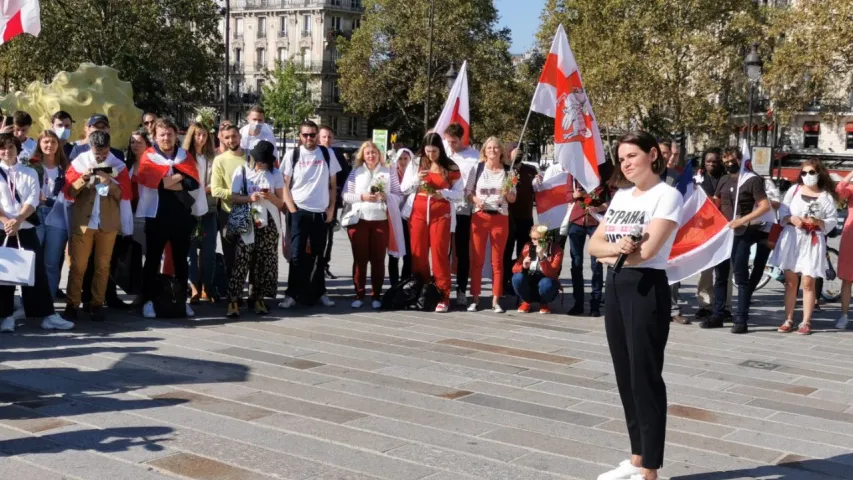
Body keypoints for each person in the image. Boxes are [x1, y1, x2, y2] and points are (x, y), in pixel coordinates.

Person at [588, 132, 683, 480]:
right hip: (616, 286)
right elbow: (593, 247)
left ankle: (651, 470)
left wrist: (614, 254)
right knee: (625, 376)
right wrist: (617, 252)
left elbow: (649, 251)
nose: (626, 163)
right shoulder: (621, 196)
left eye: (632, 155)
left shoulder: (667, 195)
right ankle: (637, 457)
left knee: (645, 377)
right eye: (621, 158)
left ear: (653, 154)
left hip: (646, 288)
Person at [0, 133, 73, 333]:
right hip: (2, 229)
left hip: (26, 228)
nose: (6, 152)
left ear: (17, 149)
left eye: (10, 147)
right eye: (2, 148)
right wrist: (7, 221)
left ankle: (47, 315)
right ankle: (5, 316)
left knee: (35, 272)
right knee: (4, 275)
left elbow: (33, 200)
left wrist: (18, 220)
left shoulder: (29, 171)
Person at [135, 118, 206, 318]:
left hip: (181, 216)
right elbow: (154, 183)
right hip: (156, 216)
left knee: (181, 261)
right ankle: (149, 300)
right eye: (162, 134)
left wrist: (173, 179)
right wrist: (180, 177)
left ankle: (181, 300)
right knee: (152, 260)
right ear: (155, 137)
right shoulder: (149, 156)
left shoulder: (185, 156)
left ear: (176, 135)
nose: (166, 138)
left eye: (170, 134)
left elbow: (193, 183)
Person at [701, 147, 771, 333]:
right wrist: (698, 195)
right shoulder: (724, 179)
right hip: (724, 233)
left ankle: (741, 318)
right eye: (726, 158)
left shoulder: (752, 180)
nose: (729, 162)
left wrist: (742, 220)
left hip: (743, 232)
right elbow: (715, 202)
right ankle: (718, 314)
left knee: (740, 276)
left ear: (742, 160)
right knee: (721, 275)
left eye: (733, 159)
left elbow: (764, 206)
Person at [63, 131, 131, 322]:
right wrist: (83, 179)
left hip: (107, 223)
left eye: (104, 152)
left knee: (103, 266)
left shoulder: (118, 165)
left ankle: (97, 304)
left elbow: (123, 195)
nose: (100, 156)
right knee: (78, 266)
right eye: (97, 153)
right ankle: (72, 304)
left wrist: (109, 183)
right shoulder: (79, 162)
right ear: (90, 148)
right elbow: (69, 192)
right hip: (84, 222)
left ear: (109, 148)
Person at [279, 120, 341, 308]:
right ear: (300, 136)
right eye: (305, 135)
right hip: (299, 210)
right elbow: (284, 185)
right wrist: (292, 210)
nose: (309, 138)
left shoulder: (327, 153)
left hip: (320, 212)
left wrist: (331, 209)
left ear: (317, 135)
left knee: (319, 255)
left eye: (312, 135)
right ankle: (292, 294)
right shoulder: (293, 155)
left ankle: (319, 292)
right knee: (296, 255)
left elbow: (333, 185)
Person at [771, 160, 837, 335]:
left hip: (813, 239)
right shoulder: (794, 191)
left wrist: (818, 222)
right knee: (791, 282)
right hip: (792, 238)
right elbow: (783, 212)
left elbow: (831, 221)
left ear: (819, 173)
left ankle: (806, 321)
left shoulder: (826, 196)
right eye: (804, 173)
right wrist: (792, 219)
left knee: (808, 282)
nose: (807, 176)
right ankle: (789, 319)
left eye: (811, 172)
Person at [402, 132, 464, 312]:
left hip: (441, 213)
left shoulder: (451, 166)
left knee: (439, 253)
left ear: (440, 149)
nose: (430, 155)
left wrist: (443, 193)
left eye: (434, 152)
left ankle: (443, 295)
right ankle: (420, 292)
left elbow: (459, 194)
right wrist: (416, 179)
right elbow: (405, 188)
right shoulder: (416, 163)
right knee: (418, 253)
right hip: (418, 212)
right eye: (427, 151)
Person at [226, 141, 283, 317]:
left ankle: (257, 297)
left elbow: (282, 203)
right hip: (248, 219)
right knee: (242, 259)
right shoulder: (242, 171)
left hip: (269, 221)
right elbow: (234, 197)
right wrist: (250, 198)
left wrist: (271, 196)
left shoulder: (275, 174)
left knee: (264, 260)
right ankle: (234, 299)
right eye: (259, 160)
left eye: (265, 161)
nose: (262, 164)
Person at [341, 141, 401, 309]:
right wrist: (363, 197)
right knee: (360, 260)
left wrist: (386, 197)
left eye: (374, 153)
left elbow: (398, 195)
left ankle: (376, 295)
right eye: (367, 153)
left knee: (378, 260)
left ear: (379, 155)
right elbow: (346, 195)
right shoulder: (355, 172)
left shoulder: (389, 172)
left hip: (380, 219)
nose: (371, 156)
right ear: (363, 155)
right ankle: (359, 294)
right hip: (359, 221)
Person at [464, 136, 516, 313]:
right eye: (489, 148)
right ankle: (475, 298)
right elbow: (468, 192)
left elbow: (513, 198)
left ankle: (496, 300)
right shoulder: (477, 169)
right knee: (477, 259)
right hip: (480, 217)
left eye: (496, 148)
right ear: (484, 151)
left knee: (497, 261)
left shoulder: (509, 172)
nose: (492, 151)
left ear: (501, 151)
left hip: (500, 218)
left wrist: (508, 192)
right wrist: (475, 199)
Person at [183, 122, 219, 304]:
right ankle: (194, 287)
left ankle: (207, 286)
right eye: (198, 134)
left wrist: (209, 188)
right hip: (189, 209)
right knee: (190, 252)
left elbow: (218, 180)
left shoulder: (211, 157)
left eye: (204, 135)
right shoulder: (185, 156)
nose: (201, 138)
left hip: (209, 207)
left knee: (208, 250)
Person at [444, 122, 479, 307]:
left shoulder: (474, 156)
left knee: (462, 251)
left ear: (462, 139)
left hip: (463, 209)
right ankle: (443, 289)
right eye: (448, 142)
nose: (451, 146)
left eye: (454, 142)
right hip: (443, 208)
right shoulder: (444, 154)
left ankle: (461, 289)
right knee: (443, 250)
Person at [565, 175, 609, 317]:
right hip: (576, 220)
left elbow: (612, 196)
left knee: (596, 263)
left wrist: (601, 206)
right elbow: (567, 195)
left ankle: (595, 304)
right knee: (576, 262)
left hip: (595, 221)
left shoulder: (603, 169)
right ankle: (578, 304)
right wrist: (574, 194)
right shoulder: (573, 171)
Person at [693, 148, 728, 319]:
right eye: (708, 161)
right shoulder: (697, 179)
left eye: (715, 161)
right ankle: (705, 304)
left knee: (724, 270)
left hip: (724, 228)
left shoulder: (727, 177)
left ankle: (725, 305)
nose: (712, 164)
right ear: (704, 162)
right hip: (705, 228)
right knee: (705, 268)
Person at [211, 124, 247, 283]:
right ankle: (233, 296)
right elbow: (215, 190)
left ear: (240, 136)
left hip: (250, 213)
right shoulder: (219, 160)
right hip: (228, 213)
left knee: (249, 256)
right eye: (227, 137)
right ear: (222, 139)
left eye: (234, 136)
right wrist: (235, 196)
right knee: (230, 256)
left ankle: (253, 295)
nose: (231, 140)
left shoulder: (251, 158)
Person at [503, 148, 538, 295]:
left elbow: (538, 188)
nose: (518, 154)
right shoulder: (503, 170)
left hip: (526, 217)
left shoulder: (531, 169)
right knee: (506, 252)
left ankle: (521, 285)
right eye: (514, 151)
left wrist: (538, 182)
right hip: (508, 218)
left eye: (520, 152)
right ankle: (505, 284)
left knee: (524, 253)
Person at [319, 125, 350, 280]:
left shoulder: (336, 153)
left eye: (330, 137)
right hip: (314, 202)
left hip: (331, 200)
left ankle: (325, 265)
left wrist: (340, 191)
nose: (327, 140)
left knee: (329, 236)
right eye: (324, 136)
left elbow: (346, 174)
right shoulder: (313, 153)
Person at [28, 130, 69, 245]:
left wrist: (49, 201)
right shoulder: (31, 165)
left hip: (56, 215)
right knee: (33, 254)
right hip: (35, 214)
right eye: (46, 142)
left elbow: (69, 194)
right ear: (39, 144)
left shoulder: (65, 167)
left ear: (58, 145)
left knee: (52, 260)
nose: (50, 145)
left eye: (53, 142)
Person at [512, 224, 563, 313]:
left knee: (547, 283)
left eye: (539, 239)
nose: (535, 242)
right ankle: (526, 301)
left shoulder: (556, 250)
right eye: (533, 238)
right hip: (530, 280)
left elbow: (552, 274)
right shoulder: (527, 247)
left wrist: (542, 258)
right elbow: (514, 269)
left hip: (545, 281)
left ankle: (544, 302)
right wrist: (524, 266)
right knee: (517, 278)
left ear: (546, 238)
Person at [388, 148, 413, 287]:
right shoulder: (391, 174)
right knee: (394, 251)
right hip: (394, 217)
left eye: (406, 159)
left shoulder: (414, 174)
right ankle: (393, 283)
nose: (403, 162)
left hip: (410, 218)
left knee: (409, 252)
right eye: (400, 159)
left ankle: (405, 281)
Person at [836, 171, 853, 330]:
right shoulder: (852, 187)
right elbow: (838, 194)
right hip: (851, 235)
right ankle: (845, 314)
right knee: (847, 278)